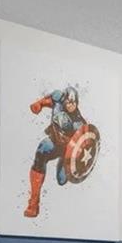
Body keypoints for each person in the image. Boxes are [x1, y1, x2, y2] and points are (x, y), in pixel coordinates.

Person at [23, 86, 87, 218]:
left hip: (67, 151)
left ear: (77, 103)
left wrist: (73, 160)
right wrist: (39, 104)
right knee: (41, 151)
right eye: (68, 102)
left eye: (73, 102)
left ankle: (62, 163)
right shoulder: (58, 98)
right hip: (54, 142)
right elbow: (49, 99)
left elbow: (84, 146)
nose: (70, 105)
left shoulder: (79, 124)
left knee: (61, 180)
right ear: (64, 100)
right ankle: (34, 203)